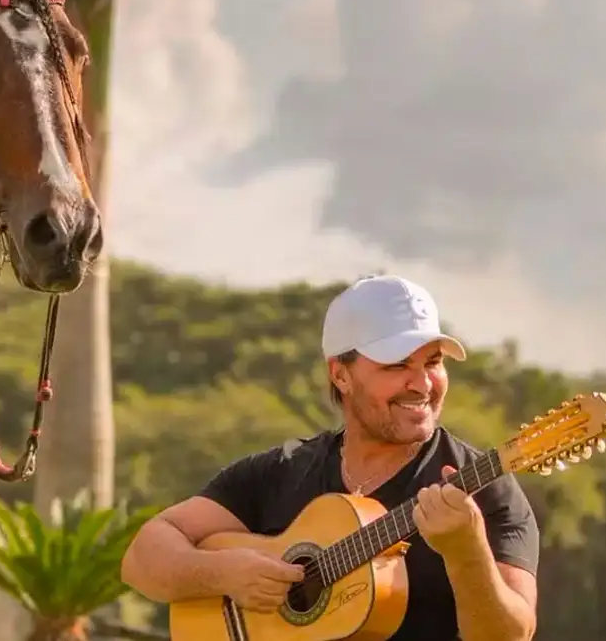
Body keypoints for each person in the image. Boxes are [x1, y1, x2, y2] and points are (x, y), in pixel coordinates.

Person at [120, 274, 540, 641]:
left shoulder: (484, 488)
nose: (422, 384)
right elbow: (142, 559)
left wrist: (467, 552)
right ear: (340, 373)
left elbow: (509, 636)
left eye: (433, 362)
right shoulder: (281, 470)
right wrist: (225, 574)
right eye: (396, 365)